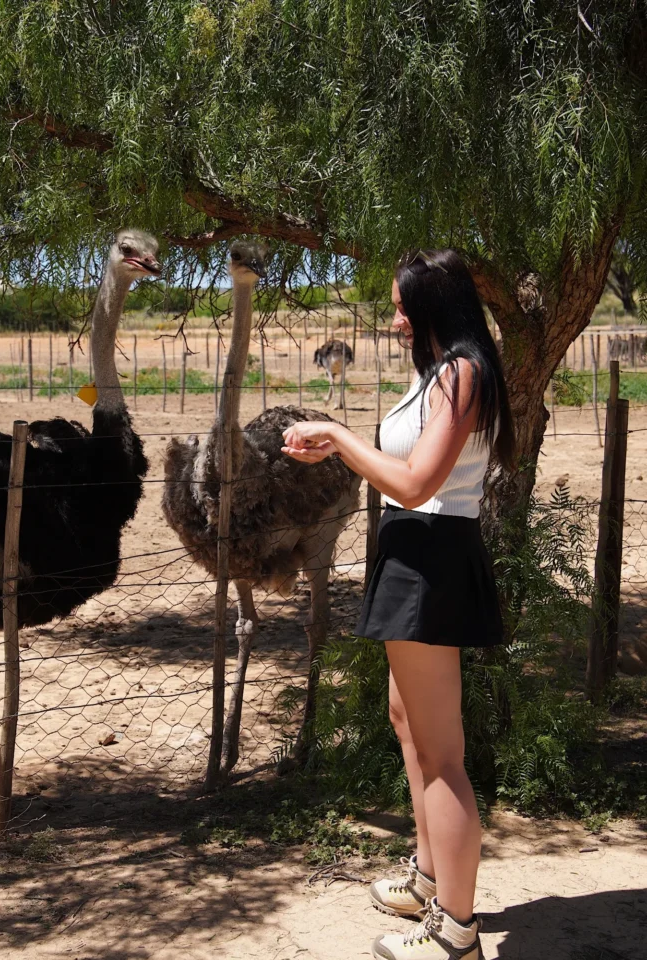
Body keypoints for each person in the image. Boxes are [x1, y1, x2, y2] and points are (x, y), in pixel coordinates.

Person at [281, 248, 515, 960]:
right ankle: (430, 877)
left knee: (442, 755)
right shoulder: (441, 374)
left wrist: (341, 438)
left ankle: (455, 933)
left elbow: (415, 484)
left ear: (431, 308)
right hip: (413, 552)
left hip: (431, 554)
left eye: (401, 307)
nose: (393, 319)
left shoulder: (465, 373)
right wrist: (337, 444)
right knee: (406, 723)